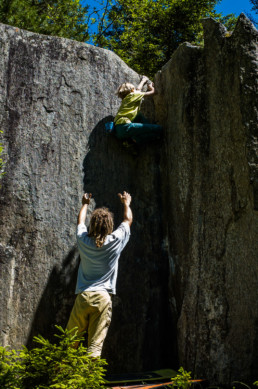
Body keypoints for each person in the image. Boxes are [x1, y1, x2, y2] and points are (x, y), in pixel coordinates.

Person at [66, 191, 132, 358]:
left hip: (83, 296)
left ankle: (62, 379)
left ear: (93, 225)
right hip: (102, 298)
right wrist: (126, 203)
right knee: (94, 347)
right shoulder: (115, 241)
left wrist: (85, 203)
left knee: (69, 342)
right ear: (109, 225)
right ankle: (90, 380)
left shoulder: (83, 241)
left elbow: (80, 221)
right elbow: (127, 220)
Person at [114, 76, 162, 145]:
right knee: (159, 129)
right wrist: (150, 87)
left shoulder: (126, 99)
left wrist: (143, 80)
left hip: (118, 130)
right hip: (126, 126)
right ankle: (134, 140)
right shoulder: (133, 95)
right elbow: (154, 92)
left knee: (139, 115)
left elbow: (138, 90)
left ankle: (130, 141)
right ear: (132, 90)